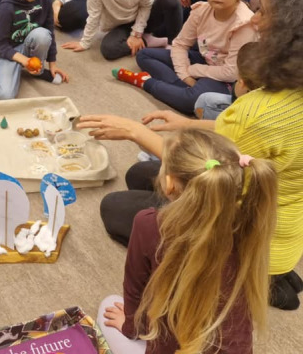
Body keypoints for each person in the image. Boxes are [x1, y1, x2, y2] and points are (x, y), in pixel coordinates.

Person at [81, 0, 303, 311]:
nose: (256, 20)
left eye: (266, 12)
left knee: (117, 209)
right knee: (140, 173)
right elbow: (264, 146)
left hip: (244, 237)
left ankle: (243, 276)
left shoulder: (260, 111)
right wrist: (184, 122)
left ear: (298, 30)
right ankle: (273, 273)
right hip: (289, 231)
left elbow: (201, 175)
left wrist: (135, 131)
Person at [99, 129, 276, 354]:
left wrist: (131, 327)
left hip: (170, 347)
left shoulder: (151, 225)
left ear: (170, 183)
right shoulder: (251, 223)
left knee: (109, 305)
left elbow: (135, 292)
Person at [113, 0, 256, 115]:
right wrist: (185, 75)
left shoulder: (244, 24)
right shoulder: (201, 10)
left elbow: (231, 72)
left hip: (227, 79)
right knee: (144, 55)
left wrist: (194, 70)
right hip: (206, 61)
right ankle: (182, 88)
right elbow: (180, 44)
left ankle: (146, 82)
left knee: (193, 101)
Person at [193, 41, 259, 120]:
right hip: (247, 108)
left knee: (202, 104)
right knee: (205, 99)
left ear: (242, 83)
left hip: (245, 118)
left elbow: (237, 99)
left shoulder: (243, 89)